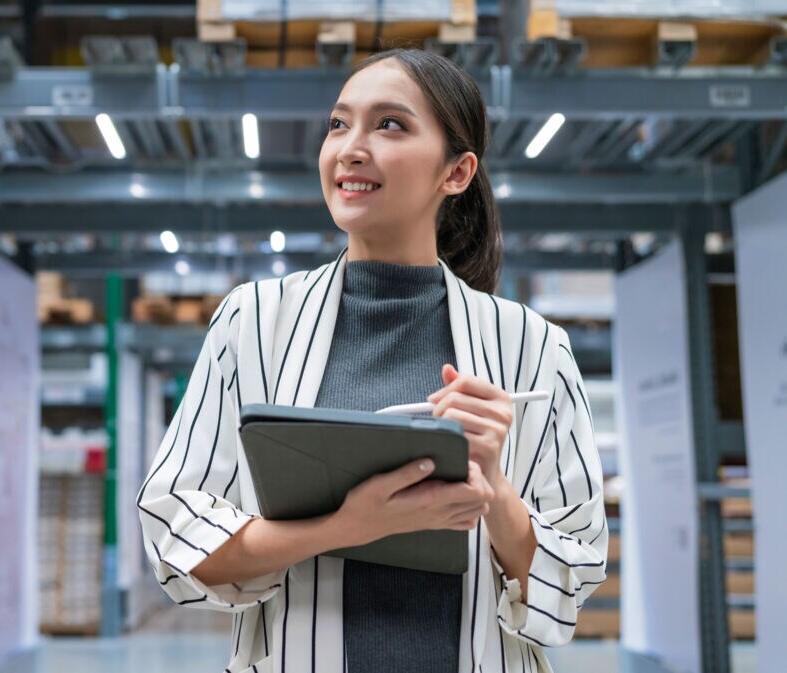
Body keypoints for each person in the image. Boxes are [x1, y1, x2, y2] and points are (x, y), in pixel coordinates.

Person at [137, 48, 607, 673]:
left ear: (457, 172)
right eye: (339, 124)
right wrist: (346, 526)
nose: (350, 149)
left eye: (390, 125)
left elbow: (573, 572)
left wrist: (494, 488)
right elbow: (176, 535)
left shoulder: (531, 348)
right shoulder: (253, 324)